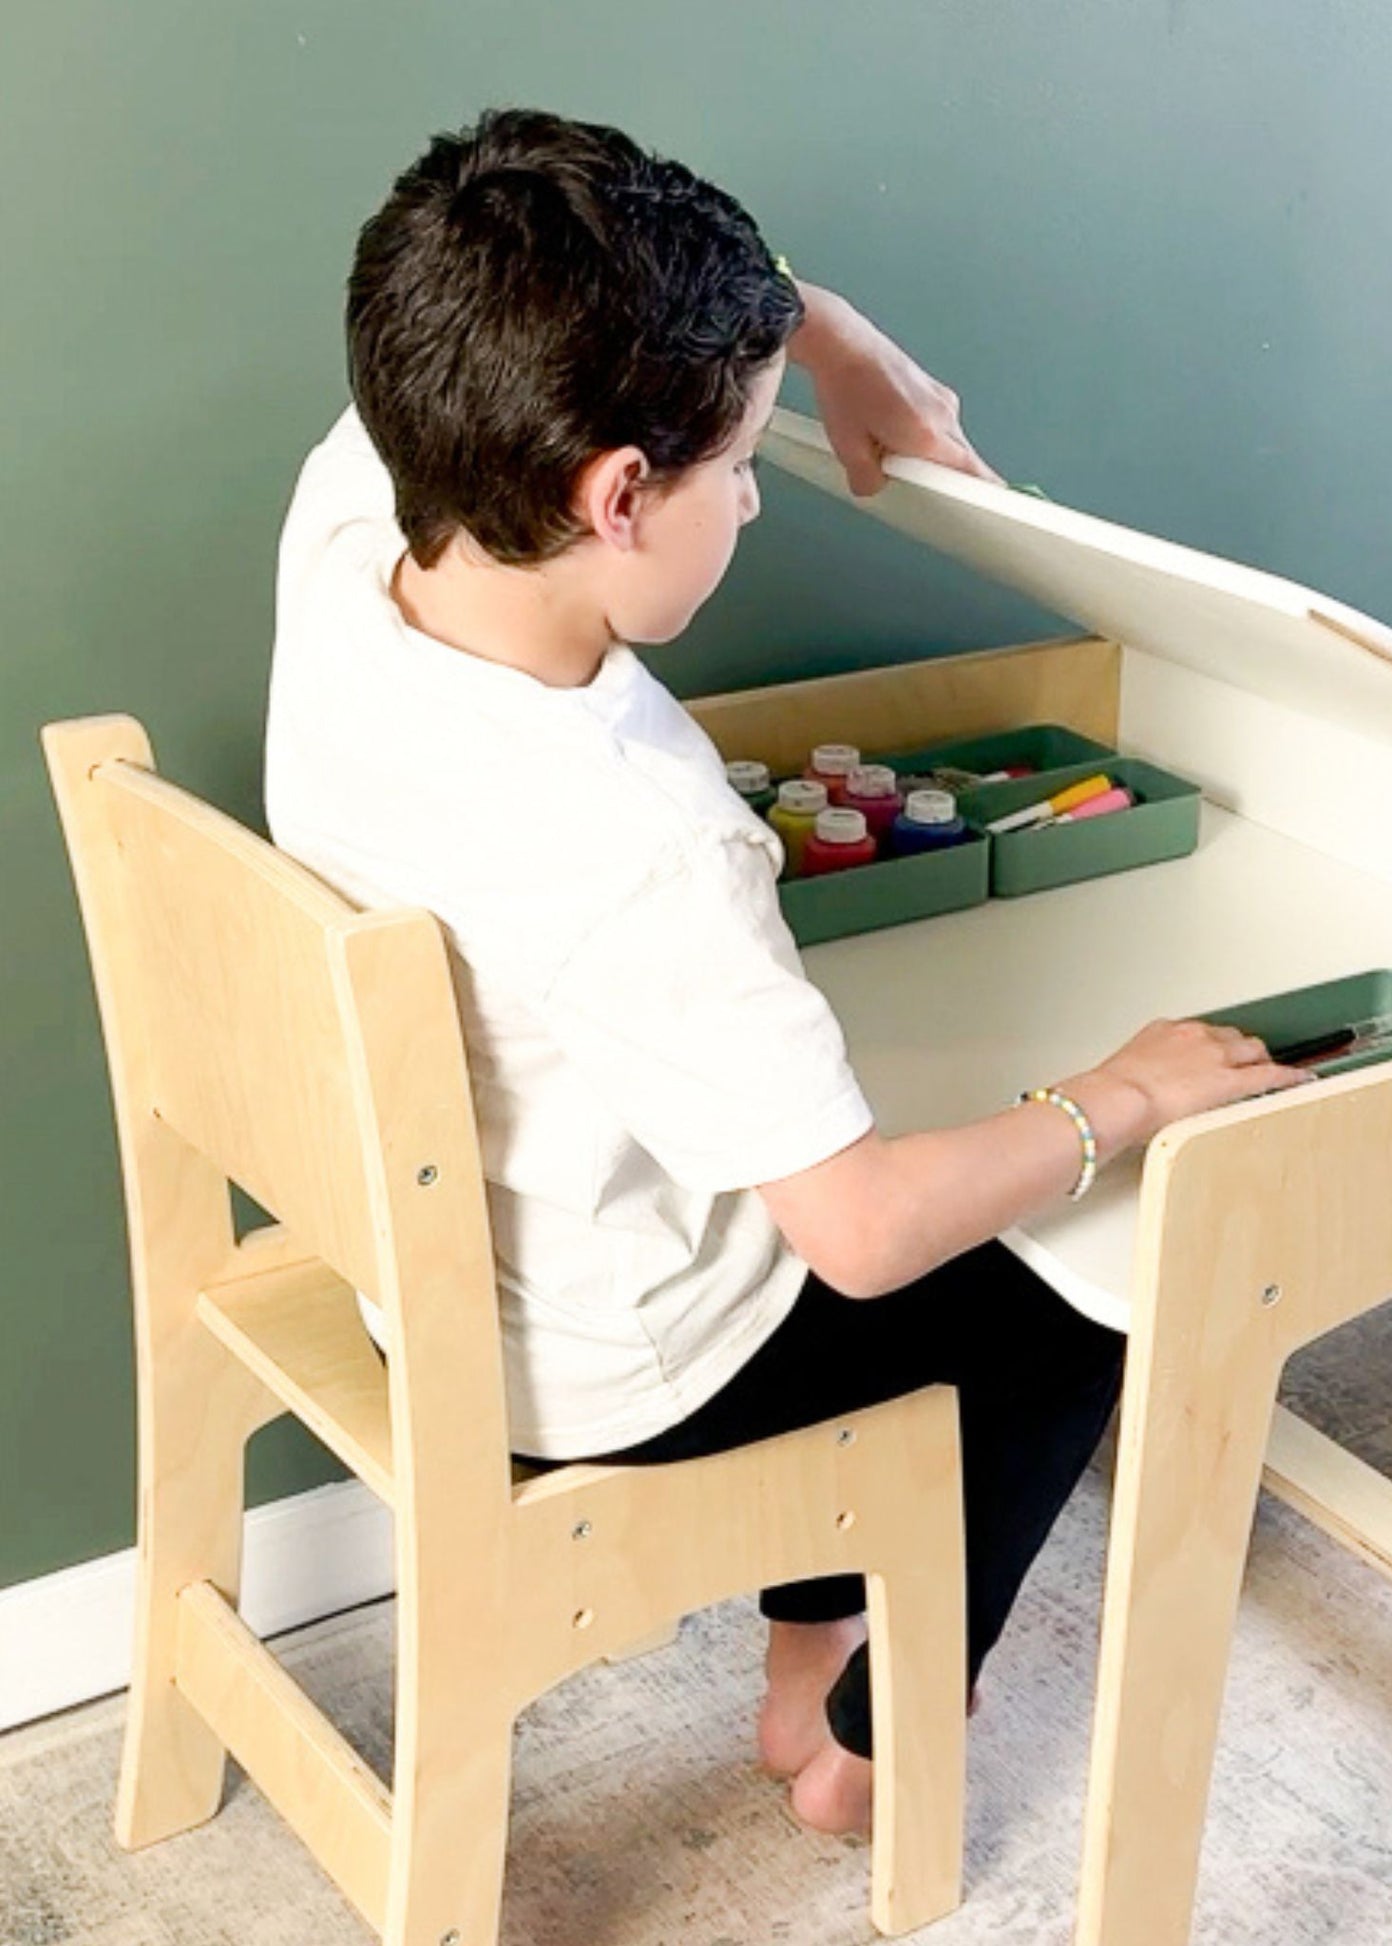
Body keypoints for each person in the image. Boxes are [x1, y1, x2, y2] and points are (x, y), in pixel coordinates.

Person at [264, 107, 1305, 1838]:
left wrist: (827, 342)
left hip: (449, 1259)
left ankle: (800, 1656)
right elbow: (865, 1235)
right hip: (611, 1366)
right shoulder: (637, 834)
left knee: (905, 1153)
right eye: (743, 461)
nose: (754, 489)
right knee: (1070, 1285)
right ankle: (865, 1743)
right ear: (616, 496)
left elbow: (552, 321)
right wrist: (1118, 1095)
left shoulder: (364, 514)